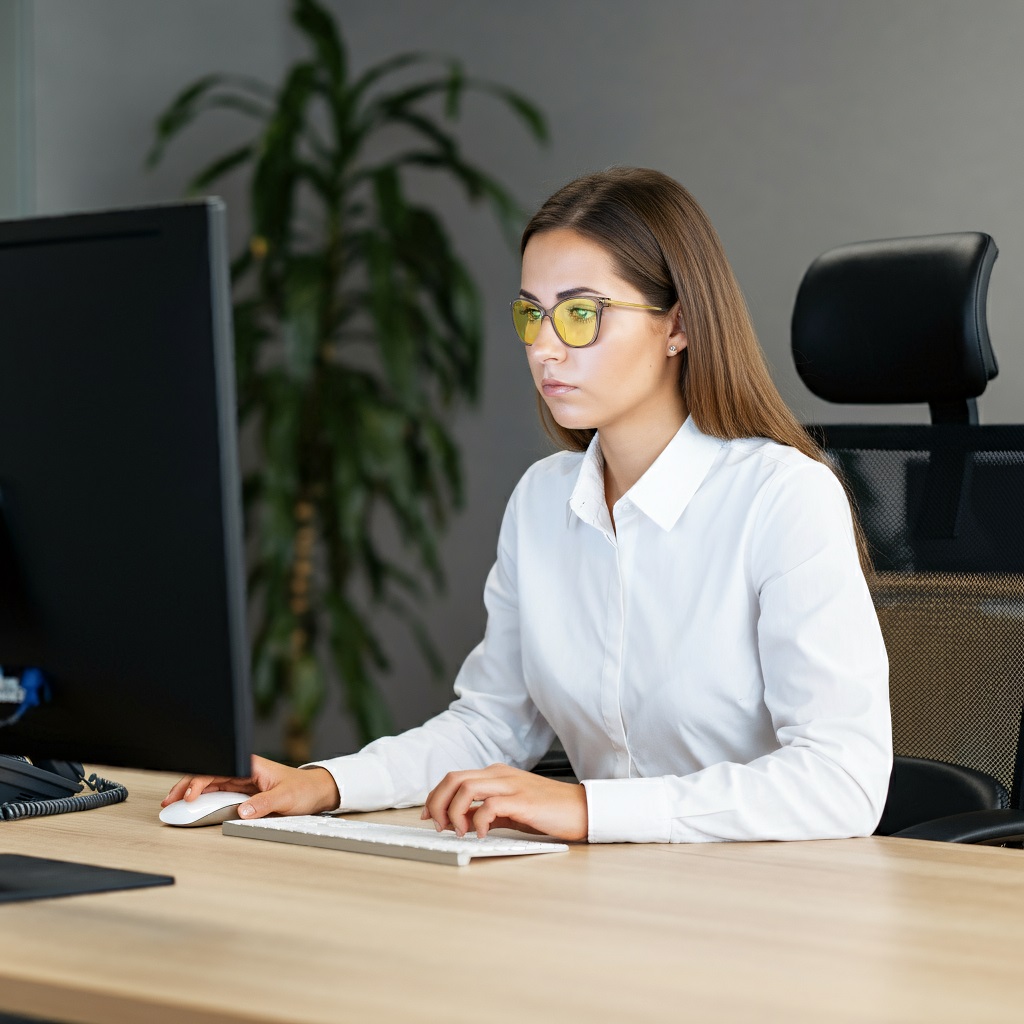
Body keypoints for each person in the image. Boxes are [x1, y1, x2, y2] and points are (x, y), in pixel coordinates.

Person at [163, 167, 891, 844]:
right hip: (606, 899)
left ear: (678, 324)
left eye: (581, 314)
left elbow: (842, 781)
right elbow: (491, 727)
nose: (545, 347)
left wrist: (585, 806)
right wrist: (325, 782)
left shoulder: (783, 497)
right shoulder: (545, 499)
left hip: (768, 912)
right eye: (531, 315)